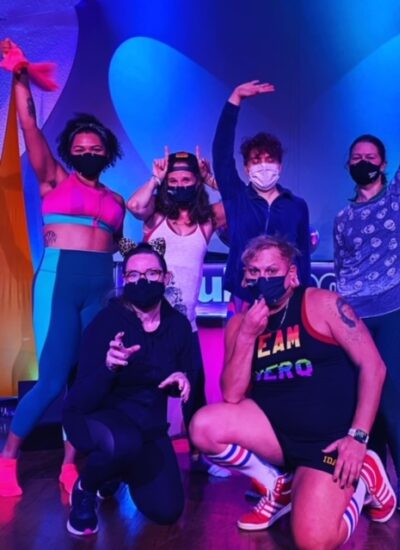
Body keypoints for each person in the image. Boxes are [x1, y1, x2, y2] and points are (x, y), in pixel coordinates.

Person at [190, 235, 396, 548]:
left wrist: (357, 437)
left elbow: (374, 367)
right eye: (255, 272)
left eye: (272, 271)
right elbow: (231, 395)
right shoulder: (240, 324)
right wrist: (247, 335)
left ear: (292, 274)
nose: (263, 278)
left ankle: (365, 480)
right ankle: (278, 487)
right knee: (204, 426)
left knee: (313, 540)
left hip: (329, 443)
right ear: (245, 278)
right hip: (275, 437)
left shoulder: (322, 303)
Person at [0, 39, 125, 496]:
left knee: (85, 381)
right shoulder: (53, 179)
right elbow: (29, 124)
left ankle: (70, 465)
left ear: (106, 151)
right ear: (70, 152)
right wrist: (19, 76)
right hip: (60, 283)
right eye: (80, 146)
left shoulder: (116, 201)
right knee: (52, 379)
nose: (88, 150)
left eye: (95, 146)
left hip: (101, 287)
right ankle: (8, 458)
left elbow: (120, 245)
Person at [333, 55, 400, 513]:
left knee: (390, 392)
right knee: (362, 396)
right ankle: (369, 480)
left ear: (383, 163)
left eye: (370, 157)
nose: (363, 162)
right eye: (356, 158)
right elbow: (342, 271)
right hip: (357, 316)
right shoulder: (343, 218)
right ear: (348, 165)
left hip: (396, 310)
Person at [63, 243, 190, 535]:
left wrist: (180, 380)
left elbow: (183, 377)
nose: (142, 281)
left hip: (148, 428)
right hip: (95, 417)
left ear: (166, 278)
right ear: (124, 279)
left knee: (167, 511)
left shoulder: (178, 326)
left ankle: (116, 471)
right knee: (123, 442)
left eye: (151, 273)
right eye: (133, 275)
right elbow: (81, 398)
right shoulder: (107, 322)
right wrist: (109, 367)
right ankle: (85, 488)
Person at [127, 149, 229, 477]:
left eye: (187, 179)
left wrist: (212, 179)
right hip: (149, 322)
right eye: (174, 180)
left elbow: (238, 202)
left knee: (194, 391)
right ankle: (135, 453)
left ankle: (200, 455)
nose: (180, 185)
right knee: (146, 388)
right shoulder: (155, 218)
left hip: (186, 325)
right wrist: (156, 178)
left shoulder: (205, 222)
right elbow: (134, 205)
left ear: (196, 183)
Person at [212, 80, 311, 307]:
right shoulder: (237, 198)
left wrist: (303, 294)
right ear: (247, 168)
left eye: (270, 159)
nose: (263, 165)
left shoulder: (296, 205)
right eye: (256, 160)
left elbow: (303, 255)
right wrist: (235, 99)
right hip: (244, 293)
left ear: (280, 166)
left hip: (286, 296)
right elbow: (221, 153)